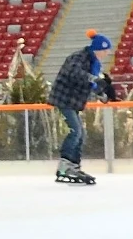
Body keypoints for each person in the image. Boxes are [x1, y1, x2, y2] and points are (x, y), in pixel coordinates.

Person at [47, 30, 112, 185]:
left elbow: (91, 83)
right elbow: (74, 72)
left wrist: (101, 94)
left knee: (81, 134)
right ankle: (64, 167)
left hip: (73, 101)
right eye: (105, 50)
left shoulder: (94, 63)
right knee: (75, 131)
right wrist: (93, 78)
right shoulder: (79, 57)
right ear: (98, 49)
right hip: (64, 99)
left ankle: (74, 166)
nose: (106, 53)